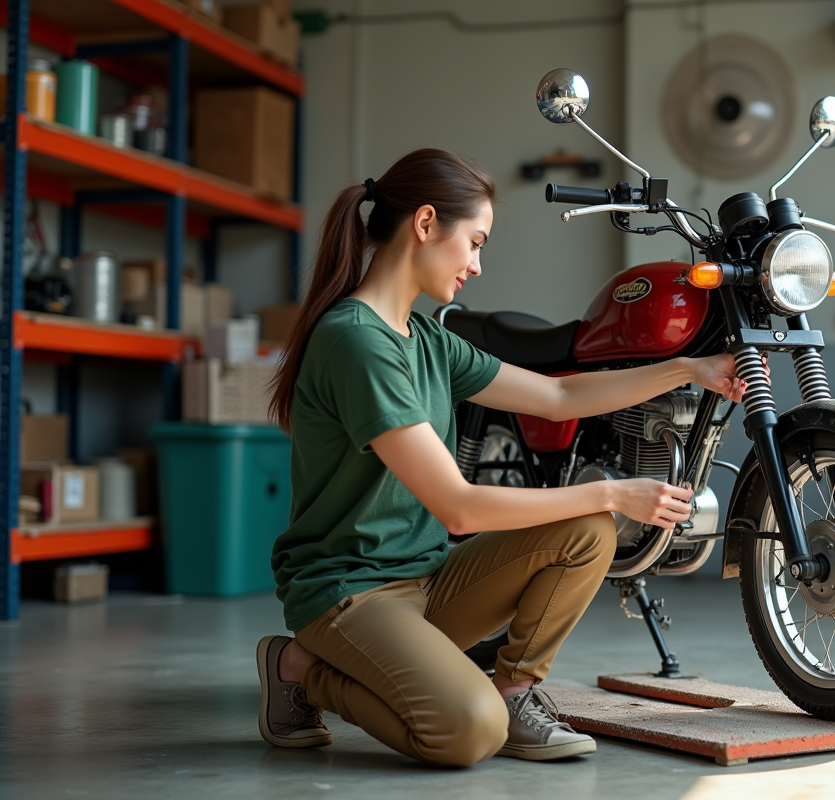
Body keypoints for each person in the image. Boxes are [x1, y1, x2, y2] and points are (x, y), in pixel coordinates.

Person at [256, 148, 750, 767]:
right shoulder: (357, 343)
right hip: (349, 593)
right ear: (427, 223)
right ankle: (298, 666)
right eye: (476, 242)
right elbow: (458, 508)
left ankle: (514, 692)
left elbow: (557, 393)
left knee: (587, 532)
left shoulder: (428, 338)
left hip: (427, 579)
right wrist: (610, 493)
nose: (479, 266)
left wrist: (687, 369)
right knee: (466, 733)